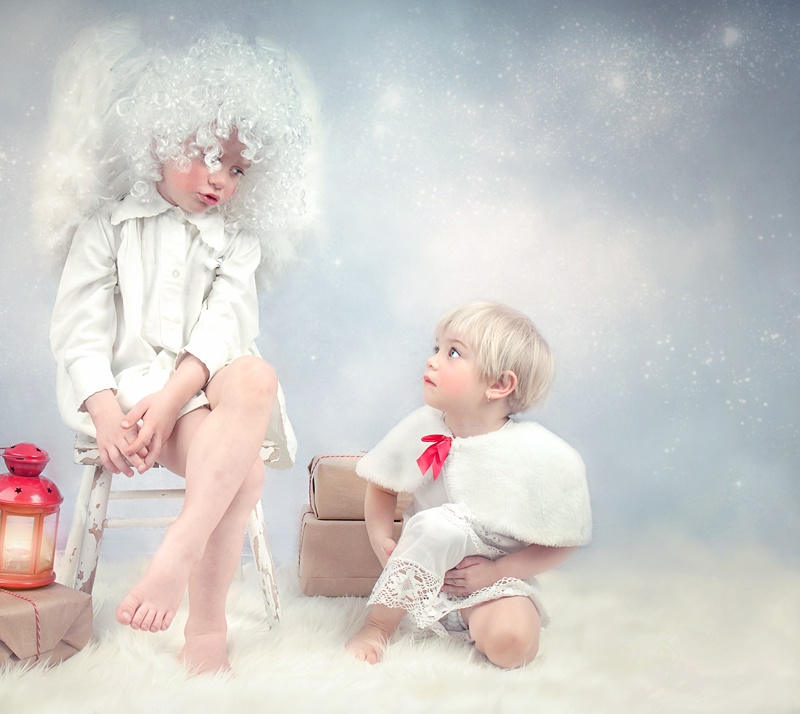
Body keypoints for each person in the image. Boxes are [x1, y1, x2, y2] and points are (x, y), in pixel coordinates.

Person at [40, 21, 315, 674]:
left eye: (237, 168)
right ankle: (207, 628)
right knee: (244, 473)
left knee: (256, 373)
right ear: (159, 141)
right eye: (207, 155)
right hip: (128, 393)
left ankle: (179, 549)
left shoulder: (236, 243)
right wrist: (107, 412)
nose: (221, 178)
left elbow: (221, 332)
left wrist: (172, 400)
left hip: (201, 386)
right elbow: (79, 329)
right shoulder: (108, 228)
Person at [345, 302, 592, 669]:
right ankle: (378, 626)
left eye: (453, 353)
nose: (432, 360)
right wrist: (382, 541)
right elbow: (382, 483)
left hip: (493, 579)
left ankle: (483, 622)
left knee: (512, 645)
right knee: (438, 527)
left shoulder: (539, 453)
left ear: (499, 384)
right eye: (437, 348)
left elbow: (564, 539)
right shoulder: (424, 426)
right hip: (421, 574)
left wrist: (496, 573)